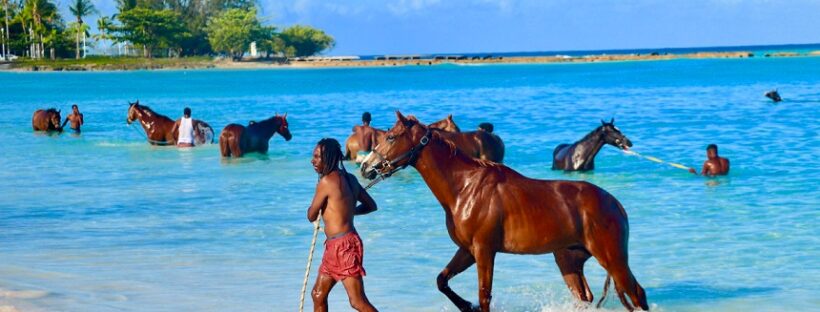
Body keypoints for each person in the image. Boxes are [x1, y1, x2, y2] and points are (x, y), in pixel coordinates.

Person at [307, 138, 378, 312]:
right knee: (318, 294)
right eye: (313, 156)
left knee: (357, 301)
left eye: (317, 157)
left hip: (343, 248)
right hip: (337, 246)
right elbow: (371, 206)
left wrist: (318, 206)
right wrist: (348, 212)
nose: (312, 160)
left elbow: (311, 215)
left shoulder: (325, 183)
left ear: (328, 158)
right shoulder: (352, 179)